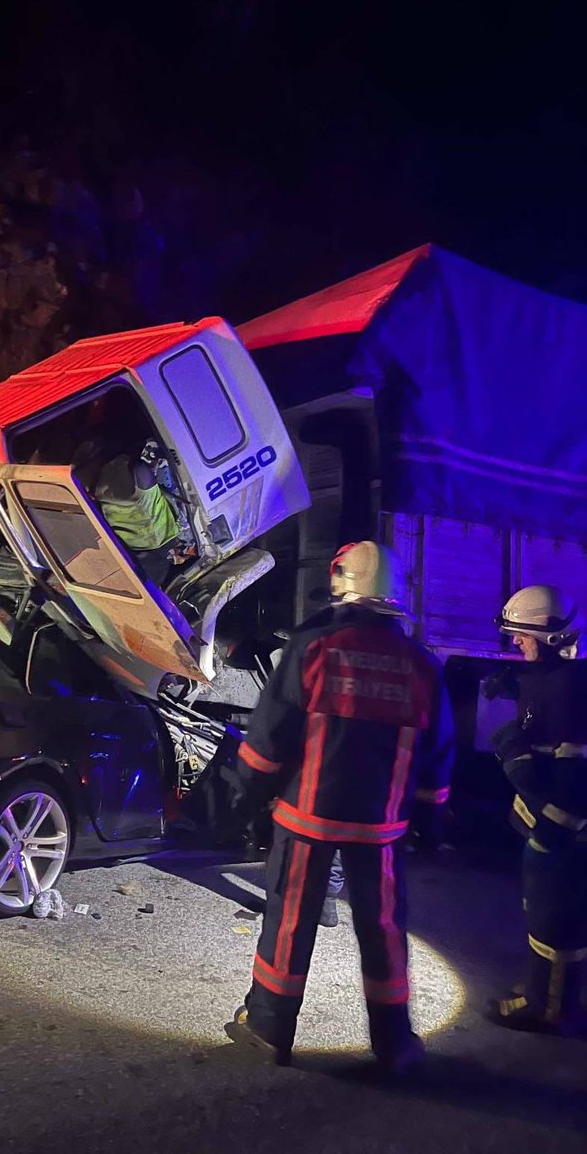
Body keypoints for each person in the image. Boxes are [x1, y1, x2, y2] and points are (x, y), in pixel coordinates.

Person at [224, 541, 455, 1074]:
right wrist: (428, 821)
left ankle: (268, 1028)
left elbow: (272, 733)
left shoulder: (314, 645)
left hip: (309, 818)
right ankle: (394, 1044)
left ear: (340, 586)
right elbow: (439, 753)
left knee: (290, 921)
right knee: (383, 929)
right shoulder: (421, 663)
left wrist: (247, 797)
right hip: (383, 825)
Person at [487, 584, 587, 1034]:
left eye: (521, 635)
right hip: (556, 829)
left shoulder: (568, 691)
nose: (515, 642)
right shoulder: (560, 681)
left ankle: (547, 1009)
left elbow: (566, 780)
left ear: (548, 637)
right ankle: (551, 997)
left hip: (559, 832)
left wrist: (510, 746)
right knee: (553, 916)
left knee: (554, 919)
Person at [93, 448, 180, 584]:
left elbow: (143, 469)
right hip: (105, 484)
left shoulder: (159, 533)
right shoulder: (101, 489)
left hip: (132, 485)